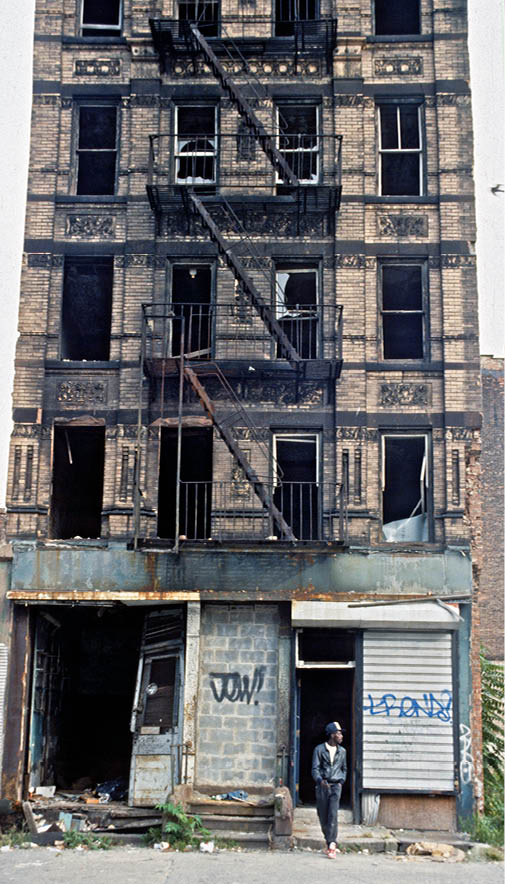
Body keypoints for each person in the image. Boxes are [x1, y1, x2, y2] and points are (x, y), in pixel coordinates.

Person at [311, 720, 347, 859]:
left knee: (333, 814)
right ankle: (329, 841)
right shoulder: (319, 749)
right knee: (323, 815)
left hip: (336, 786)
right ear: (332, 735)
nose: (341, 736)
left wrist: (341, 782)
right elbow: (315, 769)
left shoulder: (342, 751)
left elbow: (345, 769)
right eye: (339, 733)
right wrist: (320, 781)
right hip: (322, 786)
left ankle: (332, 844)